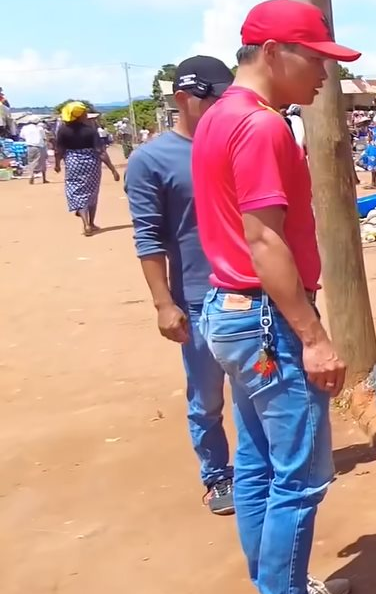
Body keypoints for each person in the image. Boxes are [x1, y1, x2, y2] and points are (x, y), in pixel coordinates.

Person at [191, 0, 371, 594]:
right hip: (265, 318)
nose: (326, 75)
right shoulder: (263, 128)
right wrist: (314, 334)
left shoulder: (218, 118)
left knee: (261, 469)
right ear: (273, 55)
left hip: (230, 311)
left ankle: (281, 592)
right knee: (299, 475)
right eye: (317, 60)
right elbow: (264, 240)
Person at [124, 55, 237, 516]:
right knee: (207, 395)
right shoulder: (151, 160)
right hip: (195, 296)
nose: (221, 106)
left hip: (248, 292)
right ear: (183, 99)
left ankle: (259, 470)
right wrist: (162, 303)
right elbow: (148, 237)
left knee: (260, 388)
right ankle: (217, 476)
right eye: (213, 98)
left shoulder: (235, 144)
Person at [56, 102, 112, 235]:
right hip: (91, 163)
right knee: (92, 192)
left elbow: (59, 150)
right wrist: (112, 169)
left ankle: (86, 224)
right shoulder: (91, 130)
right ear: (80, 115)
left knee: (77, 191)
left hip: (73, 163)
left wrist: (57, 164)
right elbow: (100, 151)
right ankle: (91, 223)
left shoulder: (63, 130)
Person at [20, 119, 49, 184]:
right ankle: (44, 179)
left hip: (30, 146)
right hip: (40, 146)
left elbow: (22, 136)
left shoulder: (25, 128)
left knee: (31, 162)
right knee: (42, 162)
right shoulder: (40, 128)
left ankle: (31, 175)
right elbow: (44, 138)